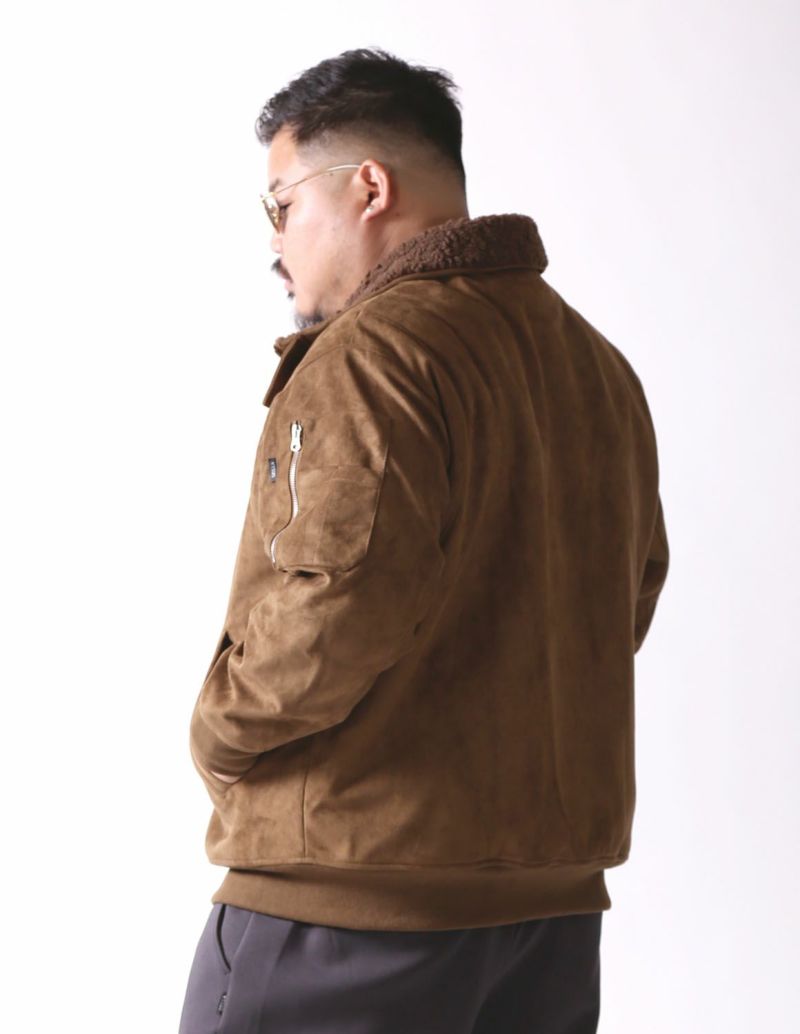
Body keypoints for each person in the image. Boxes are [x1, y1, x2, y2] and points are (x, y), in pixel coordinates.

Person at [179, 46, 670, 1034]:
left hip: (348, 909)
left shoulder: (372, 353)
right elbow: (627, 595)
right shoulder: (594, 366)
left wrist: (218, 729)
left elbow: (335, 608)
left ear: (368, 187)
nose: (274, 238)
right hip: (545, 920)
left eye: (282, 203)